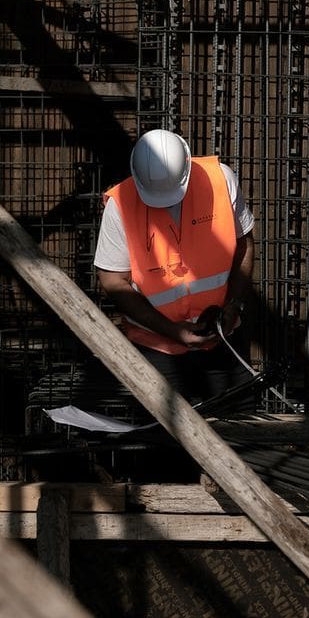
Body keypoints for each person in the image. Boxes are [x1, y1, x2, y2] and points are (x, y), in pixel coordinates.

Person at [93, 128, 255, 409]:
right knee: (165, 442)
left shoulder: (220, 180)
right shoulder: (120, 205)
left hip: (222, 336)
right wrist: (171, 330)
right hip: (155, 346)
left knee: (241, 430)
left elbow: (244, 246)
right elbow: (112, 280)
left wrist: (234, 305)